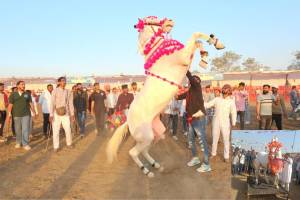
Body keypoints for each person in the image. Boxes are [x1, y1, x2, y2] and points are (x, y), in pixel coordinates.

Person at [177, 70, 211, 173]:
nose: (190, 82)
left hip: (198, 118)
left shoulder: (197, 88)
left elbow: (192, 78)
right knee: (191, 140)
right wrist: (172, 93)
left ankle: (206, 164)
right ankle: (195, 158)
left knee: (201, 141)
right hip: (191, 118)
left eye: (192, 81)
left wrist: (186, 69)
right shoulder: (189, 92)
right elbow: (178, 97)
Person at [205, 84, 237, 162]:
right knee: (215, 138)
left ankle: (226, 156)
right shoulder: (217, 99)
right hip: (216, 121)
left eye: (227, 90)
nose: (225, 91)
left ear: (229, 91)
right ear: (222, 90)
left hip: (225, 122)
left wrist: (233, 122)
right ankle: (213, 153)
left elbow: (233, 112)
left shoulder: (231, 101)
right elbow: (207, 105)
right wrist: (200, 101)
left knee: (226, 140)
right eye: (224, 89)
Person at [6, 81, 36, 150]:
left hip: (26, 114)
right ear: (17, 86)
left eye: (24, 84)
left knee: (25, 129)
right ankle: (18, 142)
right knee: (18, 129)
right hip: (16, 115)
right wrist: (9, 114)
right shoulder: (13, 94)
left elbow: (30, 104)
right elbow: (10, 105)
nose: (23, 86)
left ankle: (25, 144)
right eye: (22, 84)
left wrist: (34, 112)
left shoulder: (27, 94)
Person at [50, 77, 75, 152]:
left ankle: (69, 143)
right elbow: (52, 103)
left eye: (65, 81)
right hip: (56, 113)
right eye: (62, 81)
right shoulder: (55, 91)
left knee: (68, 129)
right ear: (59, 82)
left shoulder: (69, 91)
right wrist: (51, 114)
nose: (64, 82)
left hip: (66, 113)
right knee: (56, 130)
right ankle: (56, 146)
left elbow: (71, 103)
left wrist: (72, 114)